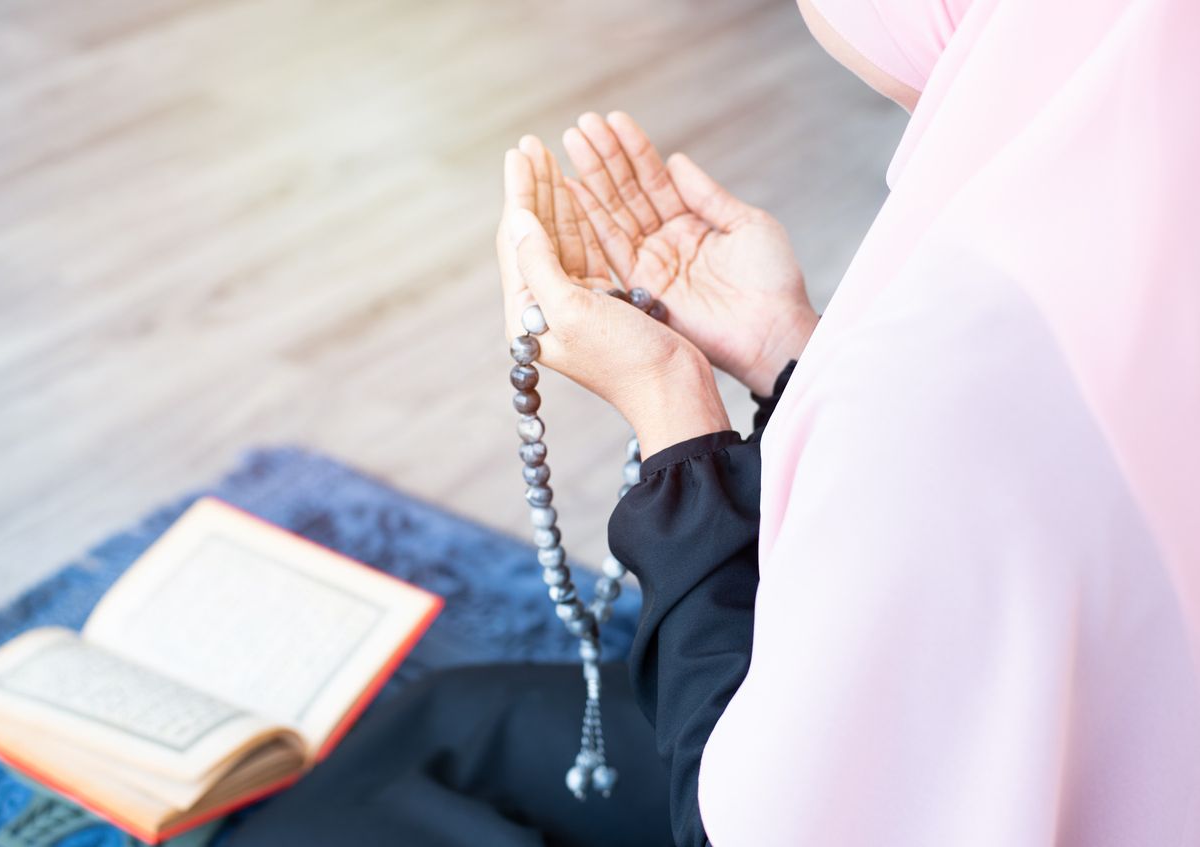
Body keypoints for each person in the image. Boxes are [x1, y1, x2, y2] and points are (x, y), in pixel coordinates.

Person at [227, 0, 1200, 843]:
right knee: (453, 722)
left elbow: (728, 822)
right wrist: (788, 351)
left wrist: (670, 410)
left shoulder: (948, 358)